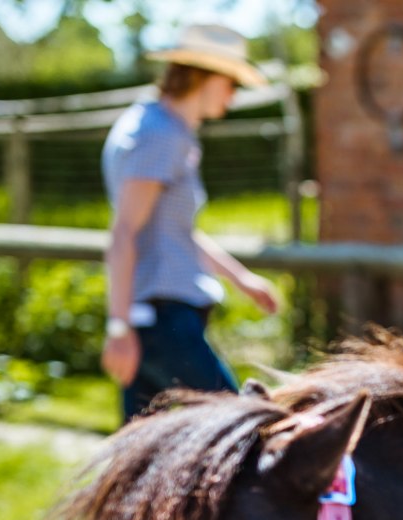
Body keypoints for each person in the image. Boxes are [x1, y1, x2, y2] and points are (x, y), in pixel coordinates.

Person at [100, 24, 280, 422]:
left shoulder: (160, 127)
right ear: (208, 78)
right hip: (161, 322)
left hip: (155, 319)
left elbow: (171, 229)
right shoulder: (160, 135)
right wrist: (118, 327)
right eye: (231, 84)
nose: (233, 96)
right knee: (243, 428)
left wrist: (241, 278)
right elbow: (125, 231)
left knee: (144, 457)